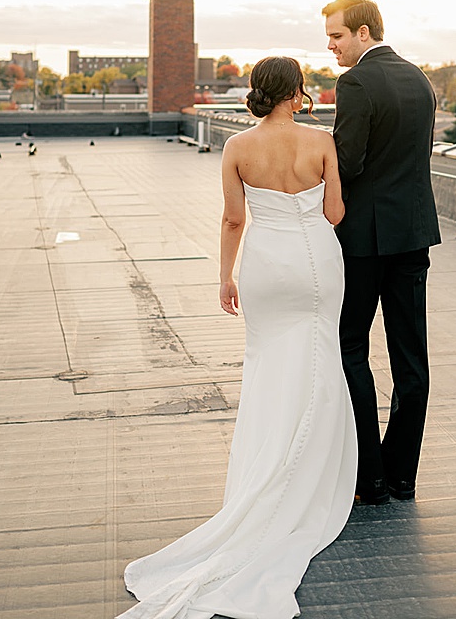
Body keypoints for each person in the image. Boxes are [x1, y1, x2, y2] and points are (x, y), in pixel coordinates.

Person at [122, 57, 356, 619]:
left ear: (257, 93)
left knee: (270, 364)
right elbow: (336, 210)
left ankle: (266, 466)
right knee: (321, 360)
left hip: (265, 266)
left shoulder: (235, 148)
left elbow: (233, 220)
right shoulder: (321, 141)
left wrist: (225, 276)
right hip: (317, 265)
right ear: (297, 92)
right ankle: (310, 472)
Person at [322, 0, 442, 506]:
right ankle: (402, 476)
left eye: (337, 36)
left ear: (364, 32)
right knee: (412, 359)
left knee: (350, 346)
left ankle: (369, 478)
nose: (330, 46)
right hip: (413, 235)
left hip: (364, 243)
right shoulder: (420, 78)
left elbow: (347, 163)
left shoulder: (355, 83)